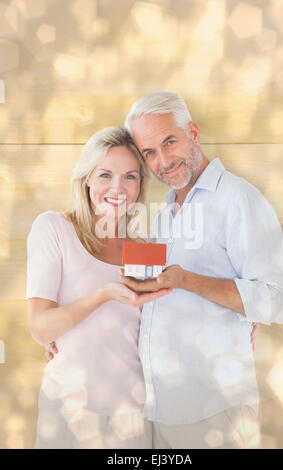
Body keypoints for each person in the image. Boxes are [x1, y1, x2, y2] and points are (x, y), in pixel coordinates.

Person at [121, 92, 283, 449]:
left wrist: (190, 281)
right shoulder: (164, 211)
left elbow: (278, 302)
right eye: (149, 153)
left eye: (170, 141)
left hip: (215, 414)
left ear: (193, 133)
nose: (164, 161)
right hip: (159, 411)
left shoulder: (239, 200)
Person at [26, 126, 172, 449]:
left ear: (140, 186)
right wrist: (104, 294)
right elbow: (40, 327)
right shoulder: (54, 230)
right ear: (87, 178)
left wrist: (237, 321)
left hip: (132, 420)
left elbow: (166, 324)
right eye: (105, 175)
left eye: (130, 177)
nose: (117, 187)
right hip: (68, 415)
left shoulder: (145, 248)